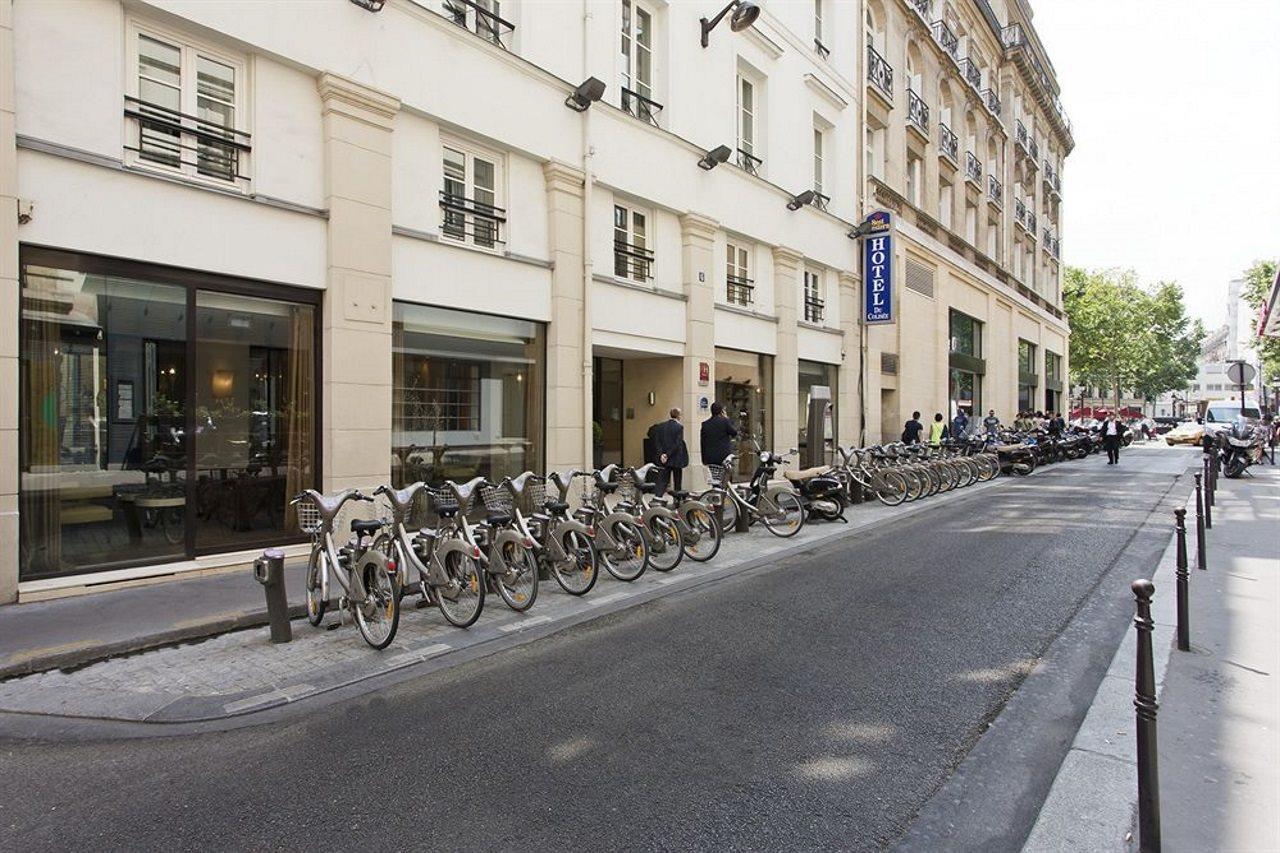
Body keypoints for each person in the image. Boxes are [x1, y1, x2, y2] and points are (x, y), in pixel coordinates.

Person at [652, 407, 689, 497]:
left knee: (663, 481)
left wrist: (662, 455)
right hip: (676, 458)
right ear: (679, 416)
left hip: (664, 460)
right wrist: (667, 454)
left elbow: (657, 442)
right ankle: (677, 501)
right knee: (677, 482)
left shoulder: (661, 426)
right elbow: (677, 443)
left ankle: (658, 498)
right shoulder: (679, 427)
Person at [700, 401, 738, 468]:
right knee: (727, 473)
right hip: (724, 456)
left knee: (714, 475)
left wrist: (704, 458)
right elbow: (734, 433)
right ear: (721, 411)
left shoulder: (705, 424)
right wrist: (726, 418)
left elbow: (703, 442)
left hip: (710, 457)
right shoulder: (725, 422)